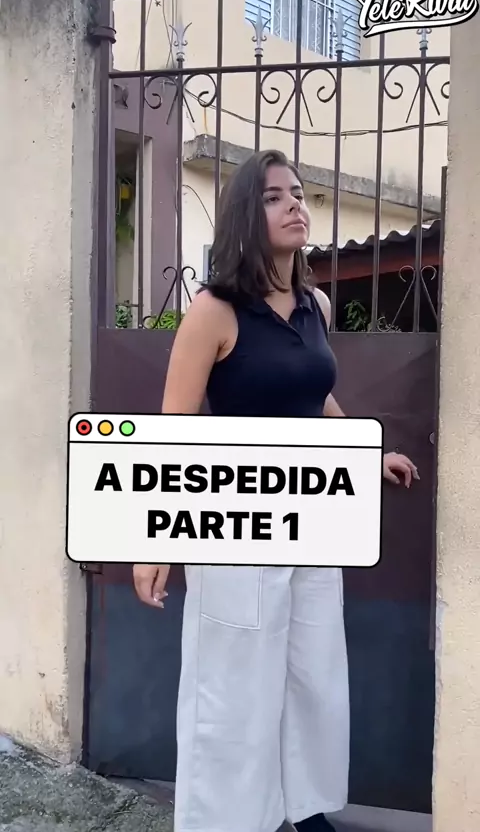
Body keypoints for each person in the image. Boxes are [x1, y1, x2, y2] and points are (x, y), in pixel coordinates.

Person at [133, 150, 419, 832]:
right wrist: (155, 544)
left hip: (311, 521)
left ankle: (306, 809)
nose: (295, 204)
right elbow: (173, 430)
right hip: (235, 526)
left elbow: (315, 396)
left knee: (313, 676)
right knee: (233, 688)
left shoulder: (316, 305)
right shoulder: (214, 311)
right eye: (273, 196)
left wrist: (367, 452)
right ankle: (226, 820)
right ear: (245, 214)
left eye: (297, 193)